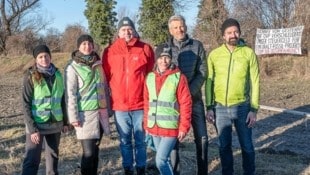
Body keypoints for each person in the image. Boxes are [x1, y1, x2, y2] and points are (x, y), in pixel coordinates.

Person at [205, 18, 260, 175]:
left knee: (247, 146)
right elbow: (209, 82)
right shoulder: (214, 55)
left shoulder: (248, 53)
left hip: (243, 106)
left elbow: (255, 82)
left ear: (240, 33)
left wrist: (254, 109)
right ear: (223, 36)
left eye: (236, 31)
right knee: (224, 146)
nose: (233, 35)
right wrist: (209, 107)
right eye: (229, 32)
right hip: (220, 107)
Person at [102, 17, 155, 175]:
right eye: (123, 30)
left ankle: (140, 168)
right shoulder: (110, 51)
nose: (127, 32)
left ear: (134, 30)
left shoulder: (145, 48)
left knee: (140, 140)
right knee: (125, 141)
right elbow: (105, 76)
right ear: (118, 32)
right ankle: (127, 168)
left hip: (140, 105)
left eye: (129, 29)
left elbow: (151, 76)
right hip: (120, 106)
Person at [166, 15, 208, 175]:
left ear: (186, 26)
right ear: (171, 30)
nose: (179, 30)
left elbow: (203, 72)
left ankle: (202, 171)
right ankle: (174, 172)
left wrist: (188, 93)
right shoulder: (166, 48)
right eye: (175, 27)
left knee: (202, 139)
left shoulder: (197, 46)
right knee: (173, 141)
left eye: (181, 26)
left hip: (194, 100)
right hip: (173, 104)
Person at [65, 34, 110, 175]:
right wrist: (73, 117)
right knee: (88, 153)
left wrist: (108, 109)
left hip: (100, 113)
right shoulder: (72, 67)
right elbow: (70, 94)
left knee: (96, 151)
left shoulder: (99, 63)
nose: (87, 46)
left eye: (90, 43)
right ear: (78, 46)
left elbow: (104, 86)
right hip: (85, 115)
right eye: (84, 44)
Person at [143, 44, 192, 175]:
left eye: (167, 57)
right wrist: (146, 124)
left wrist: (184, 126)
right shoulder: (150, 77)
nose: (163, 61)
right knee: (165, 161)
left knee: (160, 160)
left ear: (171, 59)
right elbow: (147, 104)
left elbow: (186, 103)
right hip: (154, 127)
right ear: (156, 59)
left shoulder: (179, 77)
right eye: (160, 57)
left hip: (170, 127)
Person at [21, 44, 69, 175]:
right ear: (36, 59)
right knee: (32, 159)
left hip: (55, 124)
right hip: (36, 125)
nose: (44, 59)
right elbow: (25, 104)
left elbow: (62, 100)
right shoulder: (30, 76)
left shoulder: (58, 75)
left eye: (46, 56)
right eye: (40, 57)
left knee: (53, 158)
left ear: (50, 57)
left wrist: (65, 122)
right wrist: (32, 130)